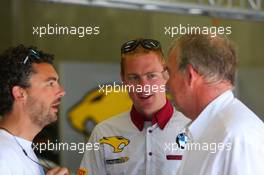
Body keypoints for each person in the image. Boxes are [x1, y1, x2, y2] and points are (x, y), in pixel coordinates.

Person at [78, 38, 190, 175]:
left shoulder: (192, 128)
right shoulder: (103, 133)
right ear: (123, 79)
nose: (143, 87)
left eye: (151, 76)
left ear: (166, 74)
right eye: (134, 78)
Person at [166, 34, 264, 175]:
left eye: (169, 73)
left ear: (189, 75)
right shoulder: (210, 129)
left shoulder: (237, 136)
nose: (166, 84)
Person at [0, 45, 69, 175]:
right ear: (21, 93)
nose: (62, 92)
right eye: (51, 83)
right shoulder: (3, 155)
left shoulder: (19, 149)